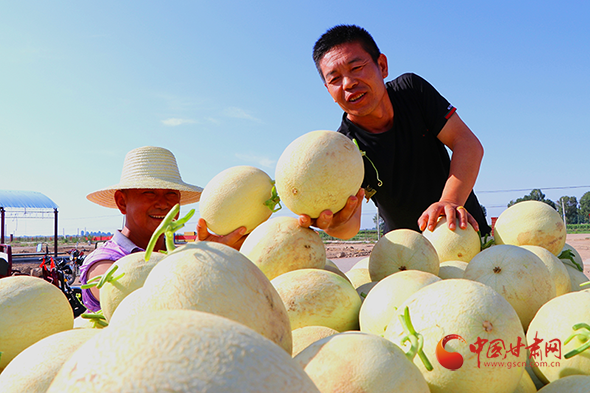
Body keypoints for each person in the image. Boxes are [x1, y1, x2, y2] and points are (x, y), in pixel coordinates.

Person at [303, 24, 491, 239]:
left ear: (382, 66)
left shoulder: (411, 91)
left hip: (462, 233)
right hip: (403, 258)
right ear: (329, 91)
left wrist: (449, 201)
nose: (348, 84)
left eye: (356, 68)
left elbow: (466, 143)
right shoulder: (343, 147)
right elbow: (351, 224)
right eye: (335, 79)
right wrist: (334, 224)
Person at [80, 146, 203, 312]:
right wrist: (201, 267)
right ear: (122, 202)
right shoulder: (103, 262)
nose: (163, 203)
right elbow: (132, 300)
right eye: (149, 192)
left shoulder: (181, 256)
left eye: (171, 194)